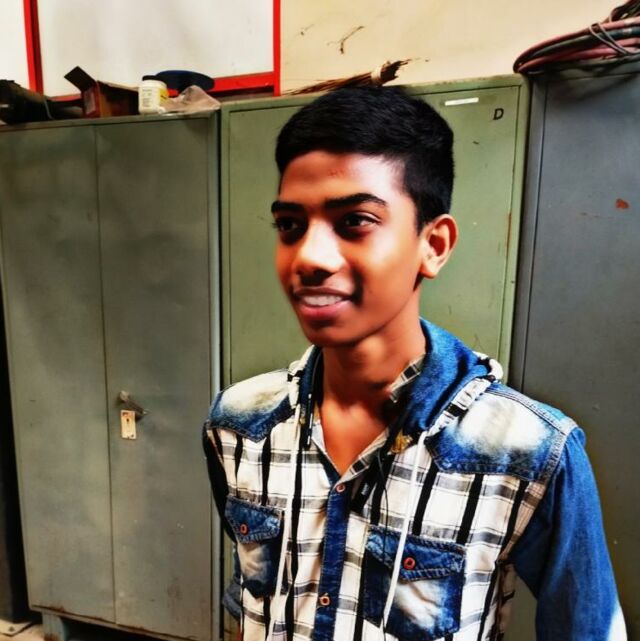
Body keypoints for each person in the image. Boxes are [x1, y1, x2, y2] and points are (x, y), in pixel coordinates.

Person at [203, 86, 625, 641]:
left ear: (434, 244)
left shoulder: (529, 453)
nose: (308, 256)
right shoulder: (238, 423)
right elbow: (249, 601)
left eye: (354, 221)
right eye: (290, 225)